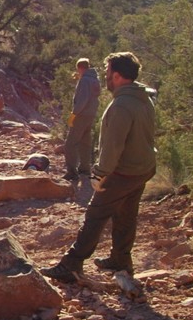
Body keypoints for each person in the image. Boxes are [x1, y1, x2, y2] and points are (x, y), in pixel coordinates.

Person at [45, 51, 158, 284]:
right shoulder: (143, 97)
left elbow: (113, 146)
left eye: (107, 73)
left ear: (116, 76)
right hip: (143, 167)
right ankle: (121, 260)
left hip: (123, 171)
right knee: (126, 214)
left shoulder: (122, 104)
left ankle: (72, 264)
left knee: (95, 215)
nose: (105, 77)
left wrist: (99, 174)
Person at [63, 57, 100, 182]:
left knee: (70, 144)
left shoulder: (85, 80)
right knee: (85, 142)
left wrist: (74, 114)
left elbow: (82, 100)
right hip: (91, 114)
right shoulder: (95, 80)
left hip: (82, 115)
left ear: (79, 68)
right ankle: (85, 169)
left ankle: (72, 172)